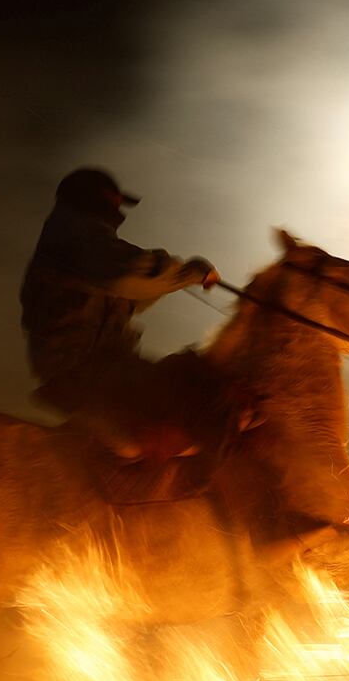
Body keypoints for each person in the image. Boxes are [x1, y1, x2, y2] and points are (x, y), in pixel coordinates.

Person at [18, 167, 227, 461]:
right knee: (205, 393)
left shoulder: (76, 239)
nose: (118, 209)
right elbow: (130, 276)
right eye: (115, 201)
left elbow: (130, 296)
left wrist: (177, 278)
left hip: (93, 364)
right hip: (86, 369)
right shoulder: (74, 235)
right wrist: (190, 272)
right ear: (96, 198)